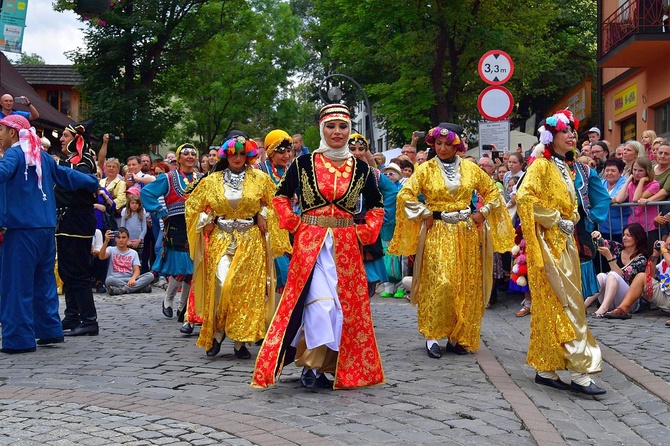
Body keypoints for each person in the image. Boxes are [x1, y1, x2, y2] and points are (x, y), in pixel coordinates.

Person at [252, 103, 385, 390]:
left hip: (346, 247)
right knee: (318, 305)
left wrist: (365, 232)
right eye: (331, 126)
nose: (337, 132)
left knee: (341, 308)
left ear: (350, 130)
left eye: (343, 127)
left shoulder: (361, 168)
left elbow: (376, 206)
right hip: (311, 244)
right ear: (321, 129)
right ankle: (310, 364)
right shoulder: (303, 164)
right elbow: (280, 197)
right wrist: (294, 223)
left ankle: (325, 366)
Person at [388, 124, 514, 359]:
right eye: (439, 144)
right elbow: (405, 195)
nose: (443, 148)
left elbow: (494, 193)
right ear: (433, 144)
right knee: (441, 281)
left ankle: (458, 337)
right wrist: (424, 212)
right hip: (438, 231)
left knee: (464, 284)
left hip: (466, 232)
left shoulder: (470, 168)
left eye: (448, 144)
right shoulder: (425, 169)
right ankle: (433, 335)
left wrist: (483, 212)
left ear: (457, 145)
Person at [516, 110, 605, 395]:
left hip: (564, 245)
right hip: (548, 246)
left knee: (560, 304)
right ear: (550, 136)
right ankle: (580, 372)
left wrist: (574, 219)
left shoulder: (566, 166)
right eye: (564, 131)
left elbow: (574, 203)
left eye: (573, 132)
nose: (571, 136)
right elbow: (524, 198)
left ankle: (545, 367)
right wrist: (555, 219)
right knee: (566, 305)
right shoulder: (541, 166)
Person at [185, 134, 290, 358]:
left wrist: (262, 214)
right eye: (234, 153)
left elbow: (276, 203)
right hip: (222, 239)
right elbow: (194, 206)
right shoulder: (211, 181)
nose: (238, 157)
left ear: (249, 155)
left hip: (250, 239)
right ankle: (217, 333)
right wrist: (207, 220)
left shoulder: (261, 179)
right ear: (226, 154)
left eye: (242, 153)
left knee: (247, 290)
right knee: (223, 283)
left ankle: (241, 341)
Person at [0, 115, 98, 353]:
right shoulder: (41, 155)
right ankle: (49, 330)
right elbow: (67, 177)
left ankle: (18, 339)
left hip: (22, 229)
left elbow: (2, 173)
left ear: (13, 133)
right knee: (43, 282)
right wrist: (91, 181)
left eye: (1, 129)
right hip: (46, 228)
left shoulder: (15, 154)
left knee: (18, 284)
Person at [141, 144, 203, 322]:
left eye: (193, 154)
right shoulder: (168, 178)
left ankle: (183, 306)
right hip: (177, 224)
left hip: (197, 225)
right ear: (179, 158)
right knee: (181, 266)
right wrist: (159, 211)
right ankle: (168, 299)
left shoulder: (202, 178)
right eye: (186, 154)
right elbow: (147, 192)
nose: (190, 157)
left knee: (194, 268)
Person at [57, 123, 101, 337]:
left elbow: (76, 183)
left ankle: (89, 319)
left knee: (78, 271)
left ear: (77, 139)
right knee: (66, 270)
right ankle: (72, 315)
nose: (61, 139)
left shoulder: (84, 161)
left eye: (65, 135)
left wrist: (56, 166)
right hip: (66, 220)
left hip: (78, 219)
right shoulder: (72, 161)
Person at [349, 133, 398, 298]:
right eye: (352, 149)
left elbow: (392, 192)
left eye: (361, 149)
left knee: (368, 275)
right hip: (342, 227)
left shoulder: (374, 174)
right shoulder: (335, 171)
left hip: (366, 227)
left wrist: (381, 216)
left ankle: (363, 311)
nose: (357, 153)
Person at [257, 130, 293, 291]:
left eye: (288, 151)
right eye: (281, 151)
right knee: (271, 269)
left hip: (286, 225)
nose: (286, 155)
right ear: (271, 152)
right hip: (264, 226)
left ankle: (279, 311)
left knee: (286, 270)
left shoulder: (292, 170)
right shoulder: (259, 170)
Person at [587, 224, 648, 316]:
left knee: (612, 275)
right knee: (601, 276)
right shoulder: (617, 248)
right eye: (624, 235)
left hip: (628, 302)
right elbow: (601, 242)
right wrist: (597, 235)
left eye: (628, 235)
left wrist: (609, 257)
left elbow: (622, 276)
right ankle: (583, 306)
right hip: (611, 297)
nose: (624, 238)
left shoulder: (641, 259)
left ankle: (603, 308)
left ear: (637, 238)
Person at [613, 157, 660, 251]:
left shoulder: (654, 184)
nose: (636, 173)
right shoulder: (631, 184)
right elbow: (619, 199)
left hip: (649, 226)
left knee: (649, 252)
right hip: (634, 225)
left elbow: (636, 199)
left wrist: (642, 181)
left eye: (640, 170)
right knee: (634, 253)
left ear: (647, 171)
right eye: (634, 169)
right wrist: (627, 181)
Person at [99, 228, 155, 295]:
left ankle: (122, 290)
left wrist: (133, 279)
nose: (121, 240)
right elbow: (101, 257)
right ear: (115, 239)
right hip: (115, 279)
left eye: (124, 237)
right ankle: (139, 288)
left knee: (150, 275)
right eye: (119, 237)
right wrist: (106, 241)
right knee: (109, 280)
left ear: (128, 239)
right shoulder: (111, 249)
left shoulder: (133, 253)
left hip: (130, 279)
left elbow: (137, 270)